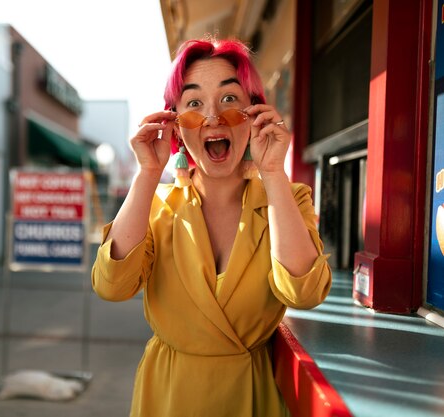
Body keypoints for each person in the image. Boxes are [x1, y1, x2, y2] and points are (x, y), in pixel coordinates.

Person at [91, 38, 332, 417]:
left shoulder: (289, 198)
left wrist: (272, 172)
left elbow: (305, 293)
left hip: (253, 397)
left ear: (255, 113)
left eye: (230, 99)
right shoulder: (154, 207)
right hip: (169, 397)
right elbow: (111, 285)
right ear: (174, 125)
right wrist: (147, 174)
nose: (213, 118)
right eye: (193, 103)